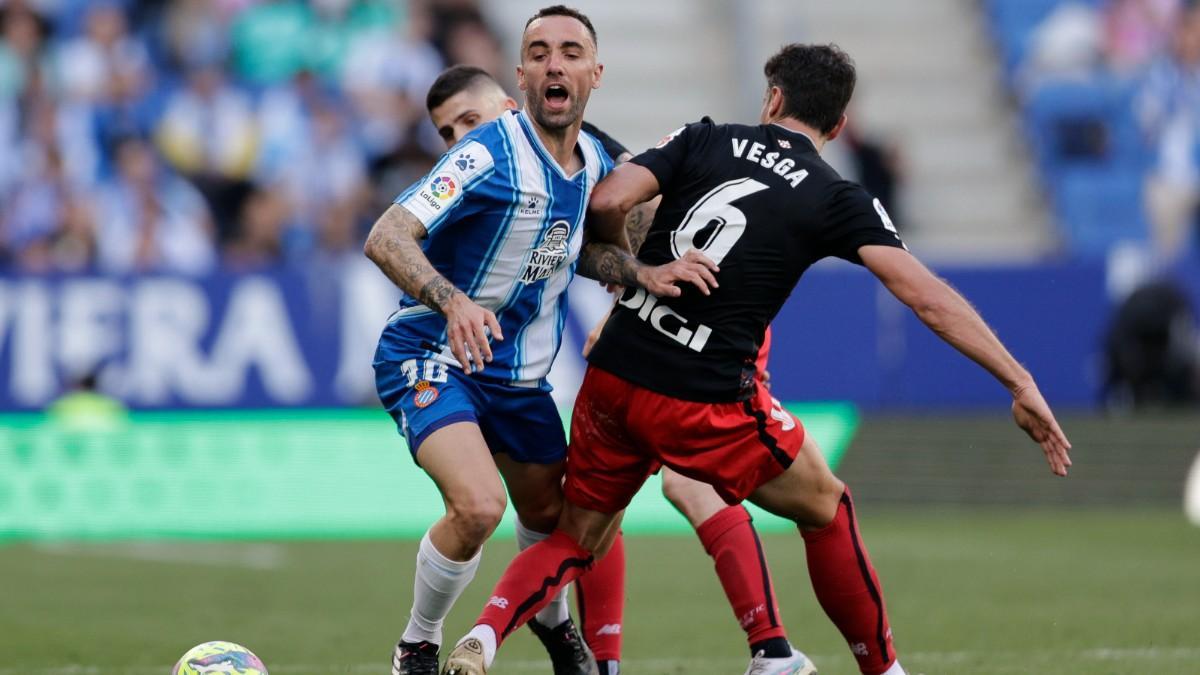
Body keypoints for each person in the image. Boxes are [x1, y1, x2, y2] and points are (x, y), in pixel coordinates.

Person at [441, 43, 1073, 675]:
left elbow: (607, 201)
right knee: (827, 504)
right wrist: (1019, 382)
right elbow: (926, 299)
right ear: (839, 126)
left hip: (614, 371)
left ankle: (484, 636)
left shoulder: (704, 136)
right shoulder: (835, 196)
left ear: (772, 98)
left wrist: (633, 273)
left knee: (575, 538)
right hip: (700, 395)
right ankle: (879, 669)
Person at [363, 7, 716, 675]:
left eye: (570, 51)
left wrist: (644, 273)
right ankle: (417, 641)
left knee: (559, 516)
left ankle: (554, 628)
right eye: (539, 52)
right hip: (434, 353)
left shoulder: (600, 165)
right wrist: (453, 300)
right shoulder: (484, 153)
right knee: (478, 506)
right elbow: (385, 234)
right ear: (521, 75)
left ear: (594, 73)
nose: (555, 63)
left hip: (521, 378)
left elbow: (587, 254)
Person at [426, 63, 809, 675]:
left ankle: (770, 651)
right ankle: (627, 661)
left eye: (470, 121)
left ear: (507, 102)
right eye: (447, 133)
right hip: (655, 323)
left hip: (701, 314)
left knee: (679, 484)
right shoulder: (496, 168)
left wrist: (635, 310)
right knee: (601, 502)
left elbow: (659, 225)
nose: (460, 141)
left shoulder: (586, 151)